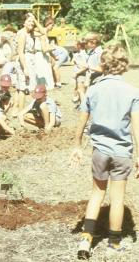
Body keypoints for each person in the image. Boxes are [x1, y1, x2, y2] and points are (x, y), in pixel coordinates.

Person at [69, 44, 139, 260]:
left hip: (99, 151)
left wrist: (77, 144)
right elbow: (137, 128)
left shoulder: (94, 89)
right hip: (122, 154)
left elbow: (82, 120)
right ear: (124, 65)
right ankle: (114, 244)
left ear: (103, 64)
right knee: (117, 199)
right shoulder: (132, 92)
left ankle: (86, 239)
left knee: (97, 194)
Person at [14, 13, 36, 114]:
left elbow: (44, 32)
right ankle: (20, 112)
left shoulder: (30, 33)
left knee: (25, 86)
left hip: (30, 60)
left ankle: (20, 110)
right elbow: (20, 52)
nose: (31, 23)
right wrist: (25, 68)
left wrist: (35, 20)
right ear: (24, 23)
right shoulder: (22, 34)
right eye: (29, 21)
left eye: (33, 21)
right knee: (23, 88)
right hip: (24, 60)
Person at [32, 15, 55, 90]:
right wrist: (53, 47)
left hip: (43, 55)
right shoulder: (42, 33)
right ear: (48, 24)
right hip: (40, 56)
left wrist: (52, 56)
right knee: (42, 72)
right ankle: (43, 87)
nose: (53, 27)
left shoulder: (44, 32)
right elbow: (44, 49)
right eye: (52, 25)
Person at [72, 39, 88, 106]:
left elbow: (85, 67)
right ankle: (80, 103)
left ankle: (83, 106)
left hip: (81, 75)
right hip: (78, 75)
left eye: (75, 44)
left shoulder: (82, 54)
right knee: (78, 89)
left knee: (81, 91)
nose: (73, 45)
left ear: (79, 46)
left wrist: (77, 73)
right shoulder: (77, 54)